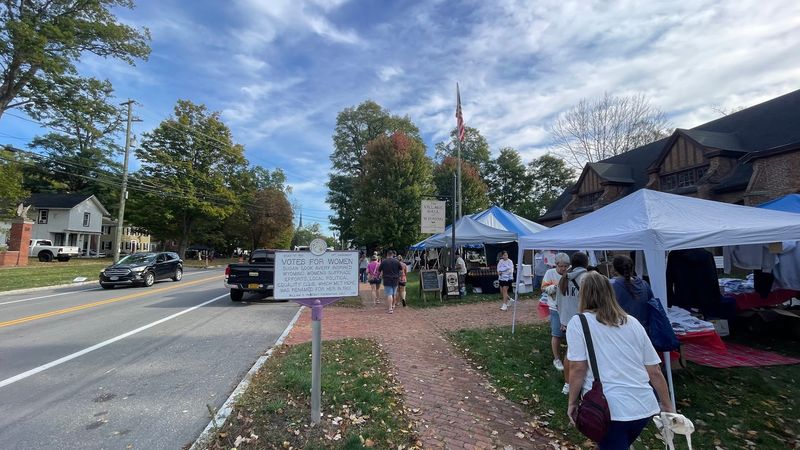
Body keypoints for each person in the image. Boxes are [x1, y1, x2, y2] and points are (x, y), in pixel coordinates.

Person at [566, 271, 673, 449]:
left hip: (608, 408)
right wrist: (667, 405)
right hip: (643, 405)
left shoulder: (579, 323)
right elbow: (654, 370)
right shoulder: (632, 322)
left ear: (583, 294)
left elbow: (578, 367)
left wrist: (572, 402)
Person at [556, 251, 590, 394]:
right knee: (586, 353)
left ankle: (567, 383)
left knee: (570, 353)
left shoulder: (564, 278)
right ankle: (583, 382)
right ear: (586, 263)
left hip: (568, 321)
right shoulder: (587, 279)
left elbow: (559, 302)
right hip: (583, 320)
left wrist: (563, 319)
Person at [541, 252, 571, 372]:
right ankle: (557, 358)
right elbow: (543, 288)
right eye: (561, 266)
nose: (563, 268)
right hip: (555, 307)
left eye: (566, 266)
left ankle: (570, 356)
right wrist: (554, 287)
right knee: (556, 333)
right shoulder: (550, 273)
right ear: (556, 265)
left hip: (568, 307)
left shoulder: (570, 274)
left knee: (570, 332)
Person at [610, 255, 653, 325]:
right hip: (644, 329)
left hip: (623, 329)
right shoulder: (644, 284)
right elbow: (652, 307)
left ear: (614, 269)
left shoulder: (612, 286)